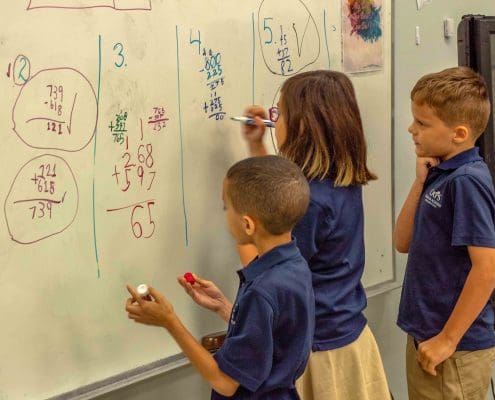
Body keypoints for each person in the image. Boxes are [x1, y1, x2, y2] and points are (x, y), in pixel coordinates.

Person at [239, 70, 390, 400]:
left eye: (278, 113)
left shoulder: (313, 202)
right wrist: (258, 146)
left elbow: (271, 272)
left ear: (302, 125)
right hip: (346, 332)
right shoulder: (337, 179)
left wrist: (241, 236)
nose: (272, 120)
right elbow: (282, 204)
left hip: (319, 350)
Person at [126, 155, 315, 399]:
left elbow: (224, 381)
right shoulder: (294, 265)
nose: (224, 214)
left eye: (226, 208)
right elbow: (273, 335)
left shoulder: (262, 291)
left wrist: (169, 321)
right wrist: (225, 308)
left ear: (248, 224)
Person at [394, 66, 495, 399]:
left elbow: (487, 269)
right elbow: (402, 242)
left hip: (455, 348)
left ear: (459, 133)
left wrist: (448, 339)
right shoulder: (440, 171)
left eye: (422, 123)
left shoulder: (466, 181)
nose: (412, 129)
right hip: (426, 336)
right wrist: (420, 182)